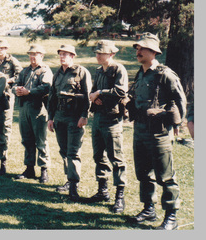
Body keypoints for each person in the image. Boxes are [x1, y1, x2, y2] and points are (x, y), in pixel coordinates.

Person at [126, 33, 186, 230]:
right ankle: (148, 208)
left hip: (159, 132)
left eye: (142, 49)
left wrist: (175, 123)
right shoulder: (140, 73)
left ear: (153, 52)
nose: (138, 51)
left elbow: (180, 100)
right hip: (140, 130)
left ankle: (171, 217)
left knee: (165, 175)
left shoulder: (165, 74)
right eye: (137, 48)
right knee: (143, 173)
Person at [83, 40, 129, 213]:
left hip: (112, 120)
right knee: (98, 156)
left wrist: (100, 93)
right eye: (97, 52)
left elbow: (121, 91)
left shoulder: (118, 69)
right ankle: (103, 191)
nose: (97, 55)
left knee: (116, 158)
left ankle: (119, 197)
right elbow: (93, 90)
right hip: (99, 118)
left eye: (101, 53)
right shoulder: (99, 71)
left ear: (111, 54)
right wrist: (93, 96)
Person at [47, 44, 92, 202]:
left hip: (75, 117)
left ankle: (74, 186)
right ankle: (69, 180)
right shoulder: (57, 74)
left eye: (66, 54)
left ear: (73, 56)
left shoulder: (81, 72)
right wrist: (50, 117)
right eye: (60, 54)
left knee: (73, 152)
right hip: (60, 116)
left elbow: (87, 95)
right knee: (64, 151)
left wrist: (84, 115)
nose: (62, 57)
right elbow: (52, 97)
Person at [13, 45, 53, 183]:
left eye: (35, 54)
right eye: (30, 54)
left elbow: (47, 87)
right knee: (27, 140)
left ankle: (44, 170)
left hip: (39, 109)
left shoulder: (45, 71)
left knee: (41, 140)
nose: (32, 57)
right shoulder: (24, 71)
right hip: (24, 108)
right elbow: (15, 84)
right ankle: (29, 168)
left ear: (42, 56)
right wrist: (17, 89)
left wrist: (29, 92)